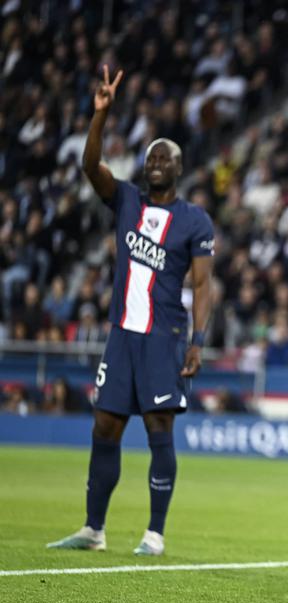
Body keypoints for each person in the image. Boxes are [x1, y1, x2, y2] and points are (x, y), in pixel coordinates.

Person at [47, 66, 215, 556]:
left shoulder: (194, 220)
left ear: (179, 168)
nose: (157, 160)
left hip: (163, 339)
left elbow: (203, 286)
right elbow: (90, 165)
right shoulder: (125, 200)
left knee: (158, 427)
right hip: (122, 335)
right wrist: (99, 116)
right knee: (105, 426)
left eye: (166, 156)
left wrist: (198, 343)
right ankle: (93, 530)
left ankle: (154, 534)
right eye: (151, 156)